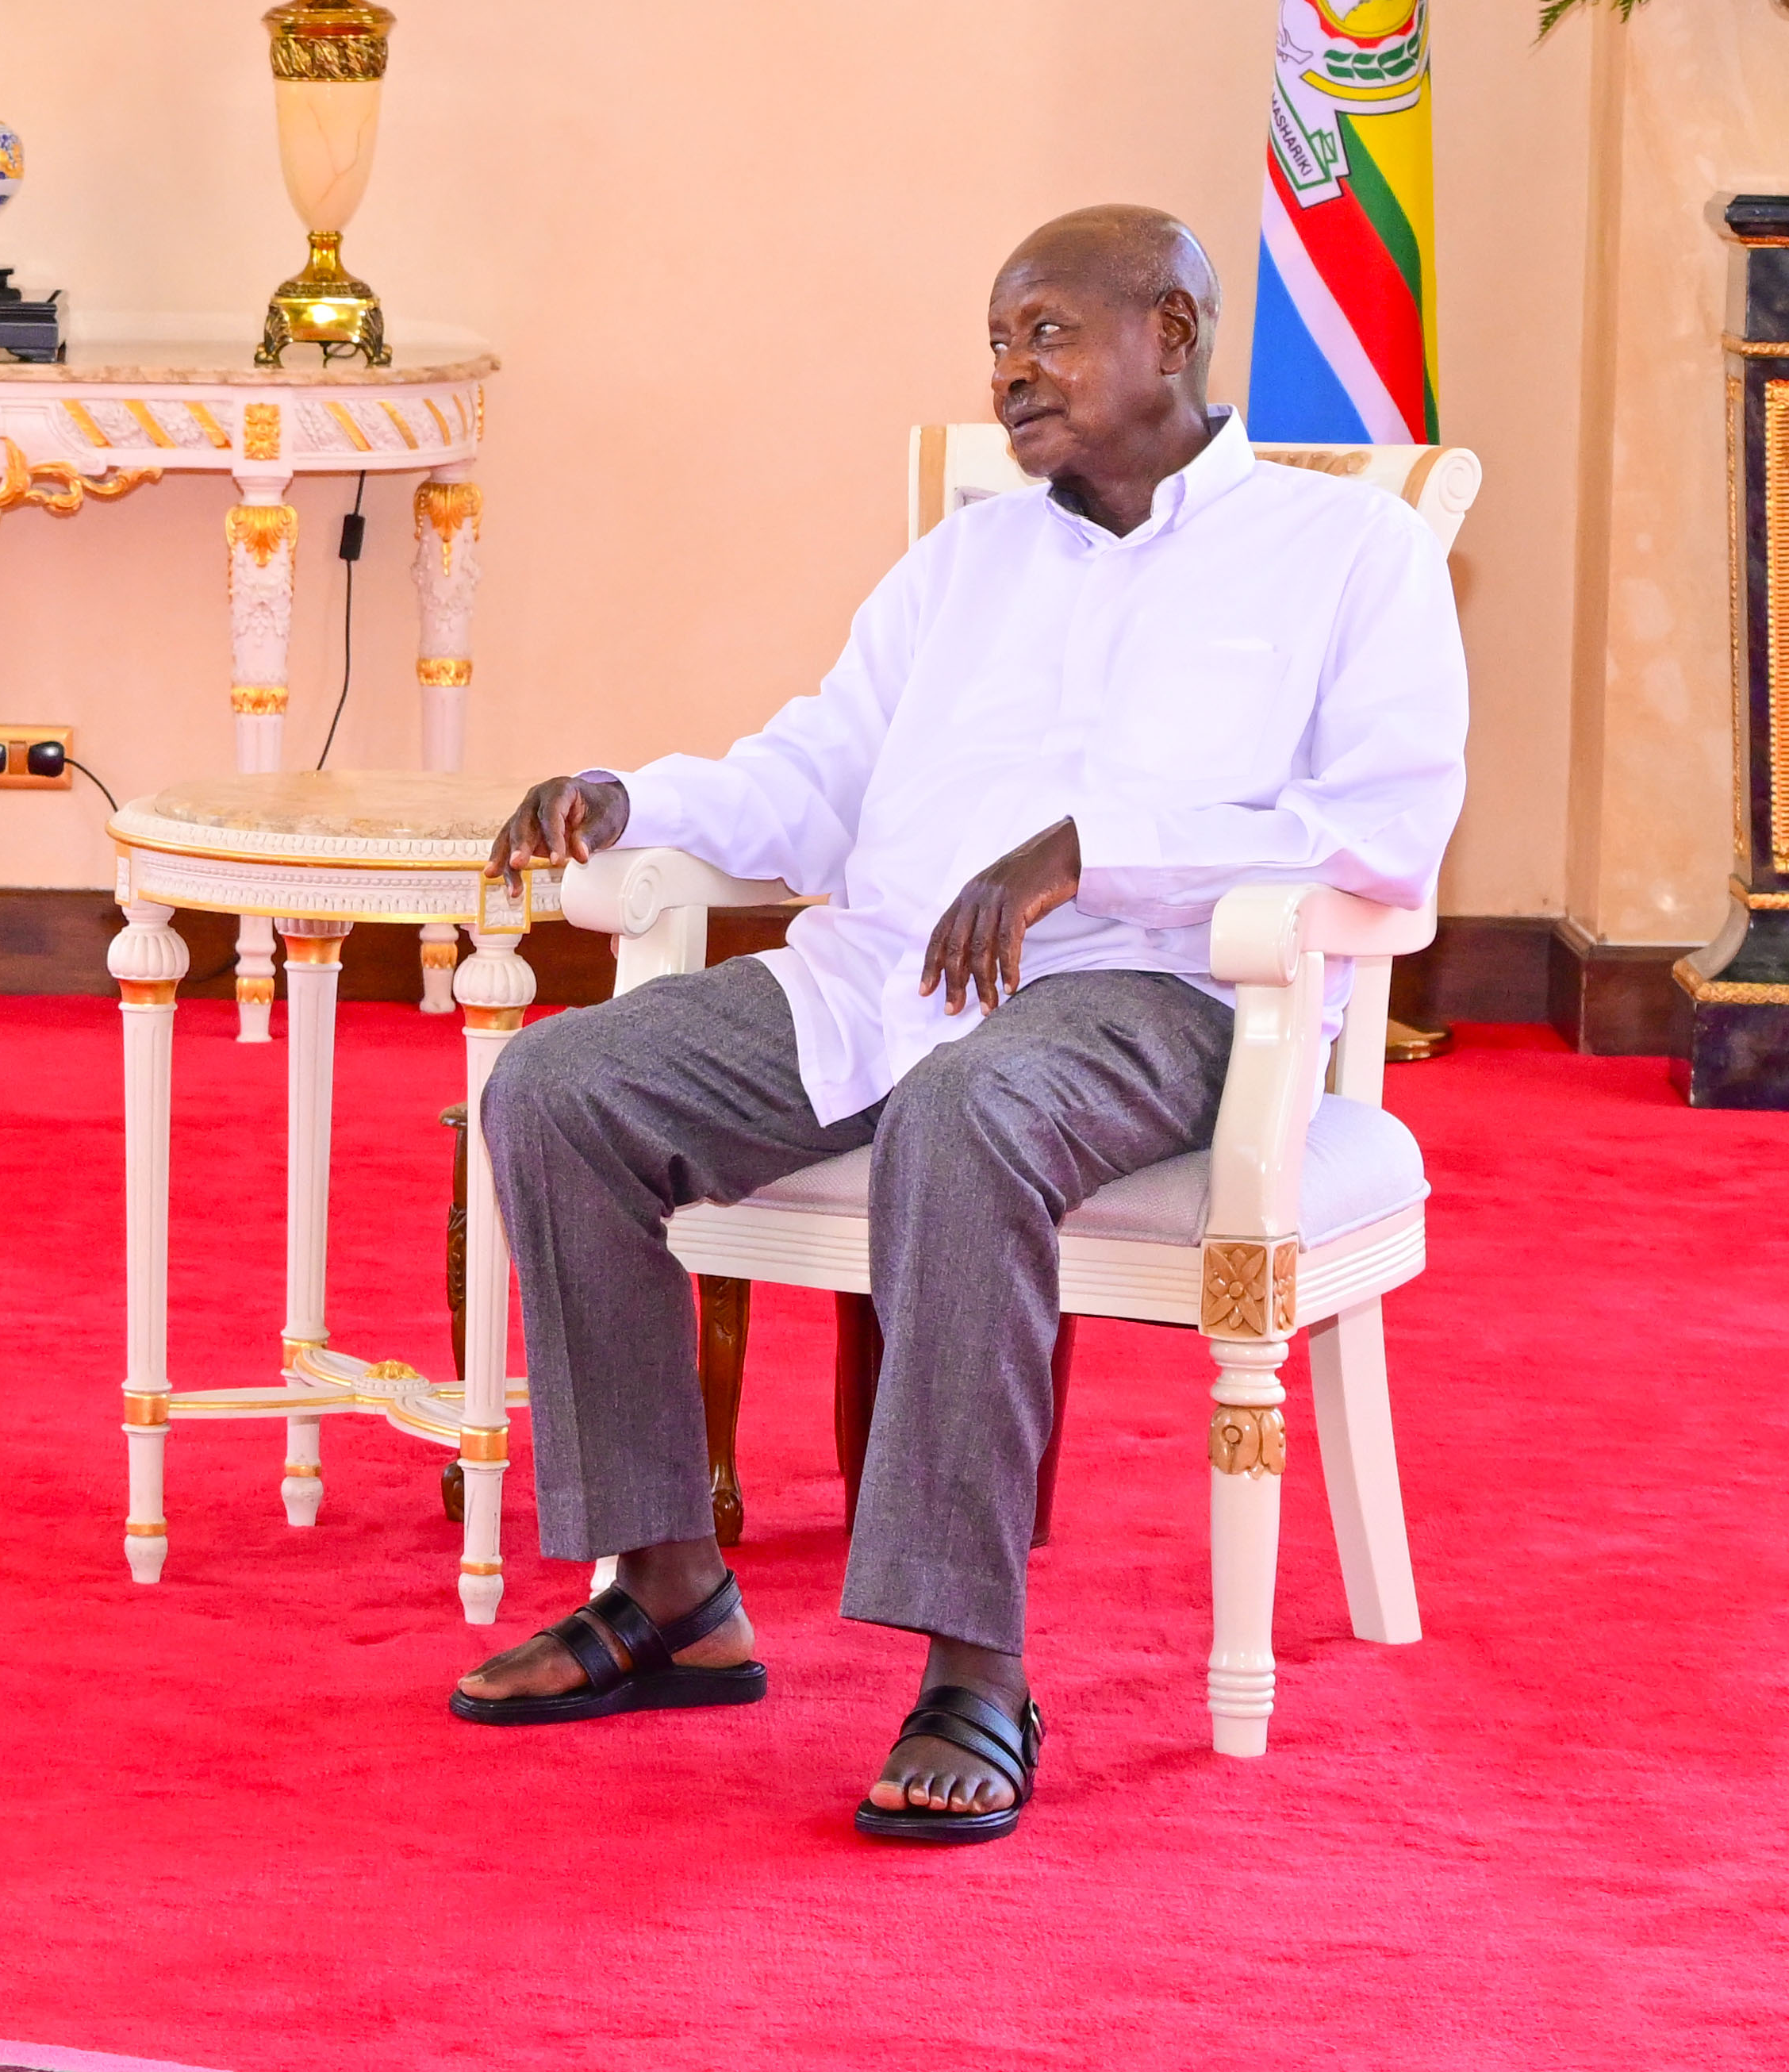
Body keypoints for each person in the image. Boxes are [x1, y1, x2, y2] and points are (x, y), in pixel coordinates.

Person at [455, 206, 1462, 1842]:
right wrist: (633, 793)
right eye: (995, 343)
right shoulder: (961, 562)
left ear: (1170, 328)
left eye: (1045, 332)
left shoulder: (1344, 554)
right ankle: (667, 1587)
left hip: (1152, 988)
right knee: (560, 1083)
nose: (1008, 372)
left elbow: (1380, 831)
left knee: (968, 1111)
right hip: (878, 979)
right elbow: (812, 773)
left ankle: (972, 1670)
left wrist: (1092, 849)